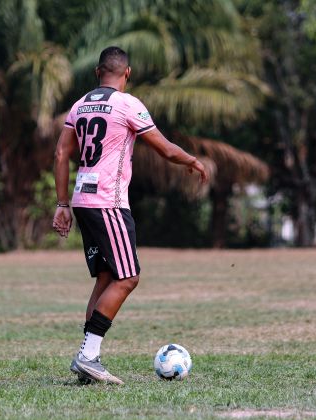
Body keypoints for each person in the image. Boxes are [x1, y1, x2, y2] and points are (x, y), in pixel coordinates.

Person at [53, 47, 208, 384]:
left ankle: (86, 361)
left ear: (97, 72)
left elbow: (62, 152)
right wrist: (193, 161)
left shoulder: (79, 105)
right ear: (128, 73)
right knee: (128, 278)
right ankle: (89, 356)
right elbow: (165, 148)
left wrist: (62, 204)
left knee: (107, 279)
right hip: (108, 202)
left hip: (82, 200)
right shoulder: (127, 104)